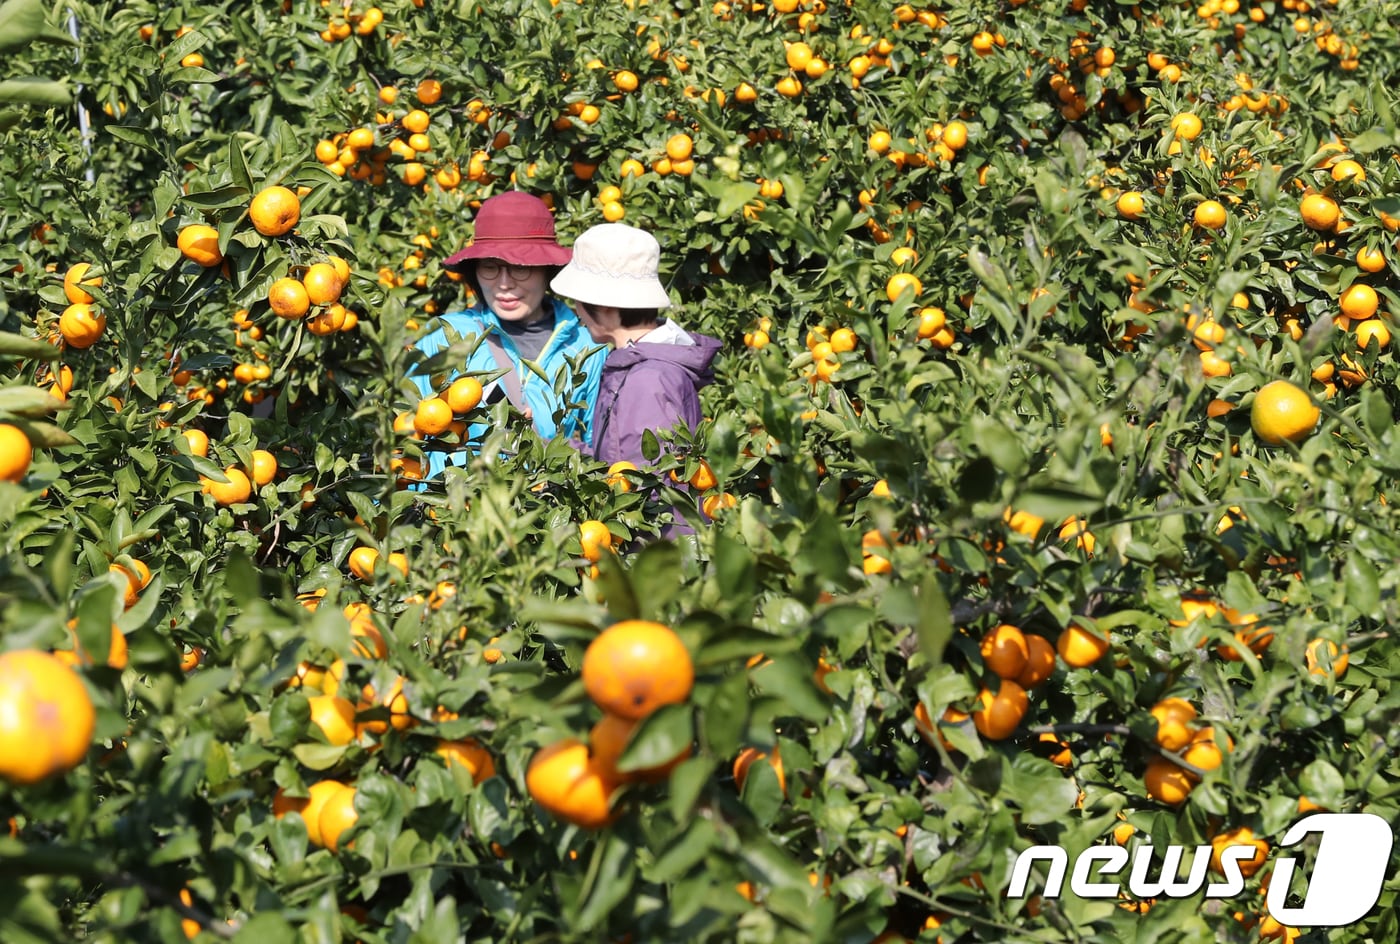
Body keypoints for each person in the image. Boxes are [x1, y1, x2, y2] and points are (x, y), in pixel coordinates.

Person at [410, 191, 605, 478]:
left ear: (547, 270)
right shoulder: (443, 337)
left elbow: (599, 458)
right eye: (490, 268)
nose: (504, 284)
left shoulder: (585, 347)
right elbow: (403, 443)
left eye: (520, 268)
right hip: (452, 503)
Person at [549, 223, 721, 474]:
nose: (577, 310)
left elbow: (646, 484)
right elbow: (616, 460)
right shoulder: (637, 365)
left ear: (603, 302)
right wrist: (541, 445)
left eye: (578, 299)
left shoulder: (648, 381)